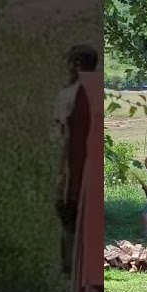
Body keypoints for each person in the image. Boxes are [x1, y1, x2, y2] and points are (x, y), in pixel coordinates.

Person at [55, 45, 99, 275]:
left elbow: (64, 139)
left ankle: (71, 270)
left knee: (70, 217)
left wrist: (61, 174)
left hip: (77, 168)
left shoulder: (68, 96)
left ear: (76, 65)